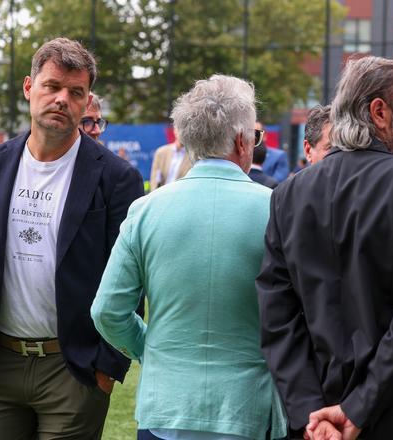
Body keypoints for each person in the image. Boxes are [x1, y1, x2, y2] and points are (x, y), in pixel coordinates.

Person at [256, 56, 393, 439]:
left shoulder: (289, 192)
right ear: (379, 112)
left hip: (316, 424)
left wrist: (312, 413)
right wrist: (353, 410)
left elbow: (277, 316)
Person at [91, 74, 287, 440]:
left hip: (165, 407)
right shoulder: (277, 211)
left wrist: (148, 347)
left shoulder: (145, 211)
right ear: (243, 141)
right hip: (247, 408)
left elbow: (107, 310)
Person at [0, 37, 144, 439]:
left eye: (75, 92)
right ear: (28, 87)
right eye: (51, 86)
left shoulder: (116, 179)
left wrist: (108, 365)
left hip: (72, 369)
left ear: (87, 100)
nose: (61, 99)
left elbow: (131, 279)